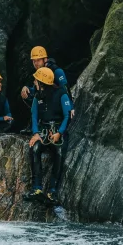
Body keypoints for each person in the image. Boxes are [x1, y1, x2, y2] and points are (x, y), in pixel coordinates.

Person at [25, 67, 73, 203]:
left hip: (58, 129)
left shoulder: (62, 94)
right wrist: (35, 134)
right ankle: (37, 188)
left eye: (36, 80)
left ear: (42, 83)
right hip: (44, 129)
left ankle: (52, 192)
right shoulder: (37, 97)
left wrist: (59, 133)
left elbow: (67, 116)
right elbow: (34, 117)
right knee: (34, 148)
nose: (34, 82)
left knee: (59, 152)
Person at [20, 46, 73, 119]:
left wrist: (71, 108)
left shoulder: (56, 71)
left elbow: (65, 88)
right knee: (28, 94)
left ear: (45, 59)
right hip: (46, 102)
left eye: (38, 60)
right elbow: (36, 90)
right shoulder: (39, 72)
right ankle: (35, 121)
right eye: (34, 61)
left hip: (56, 103)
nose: (35, 63)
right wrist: (27, 88)